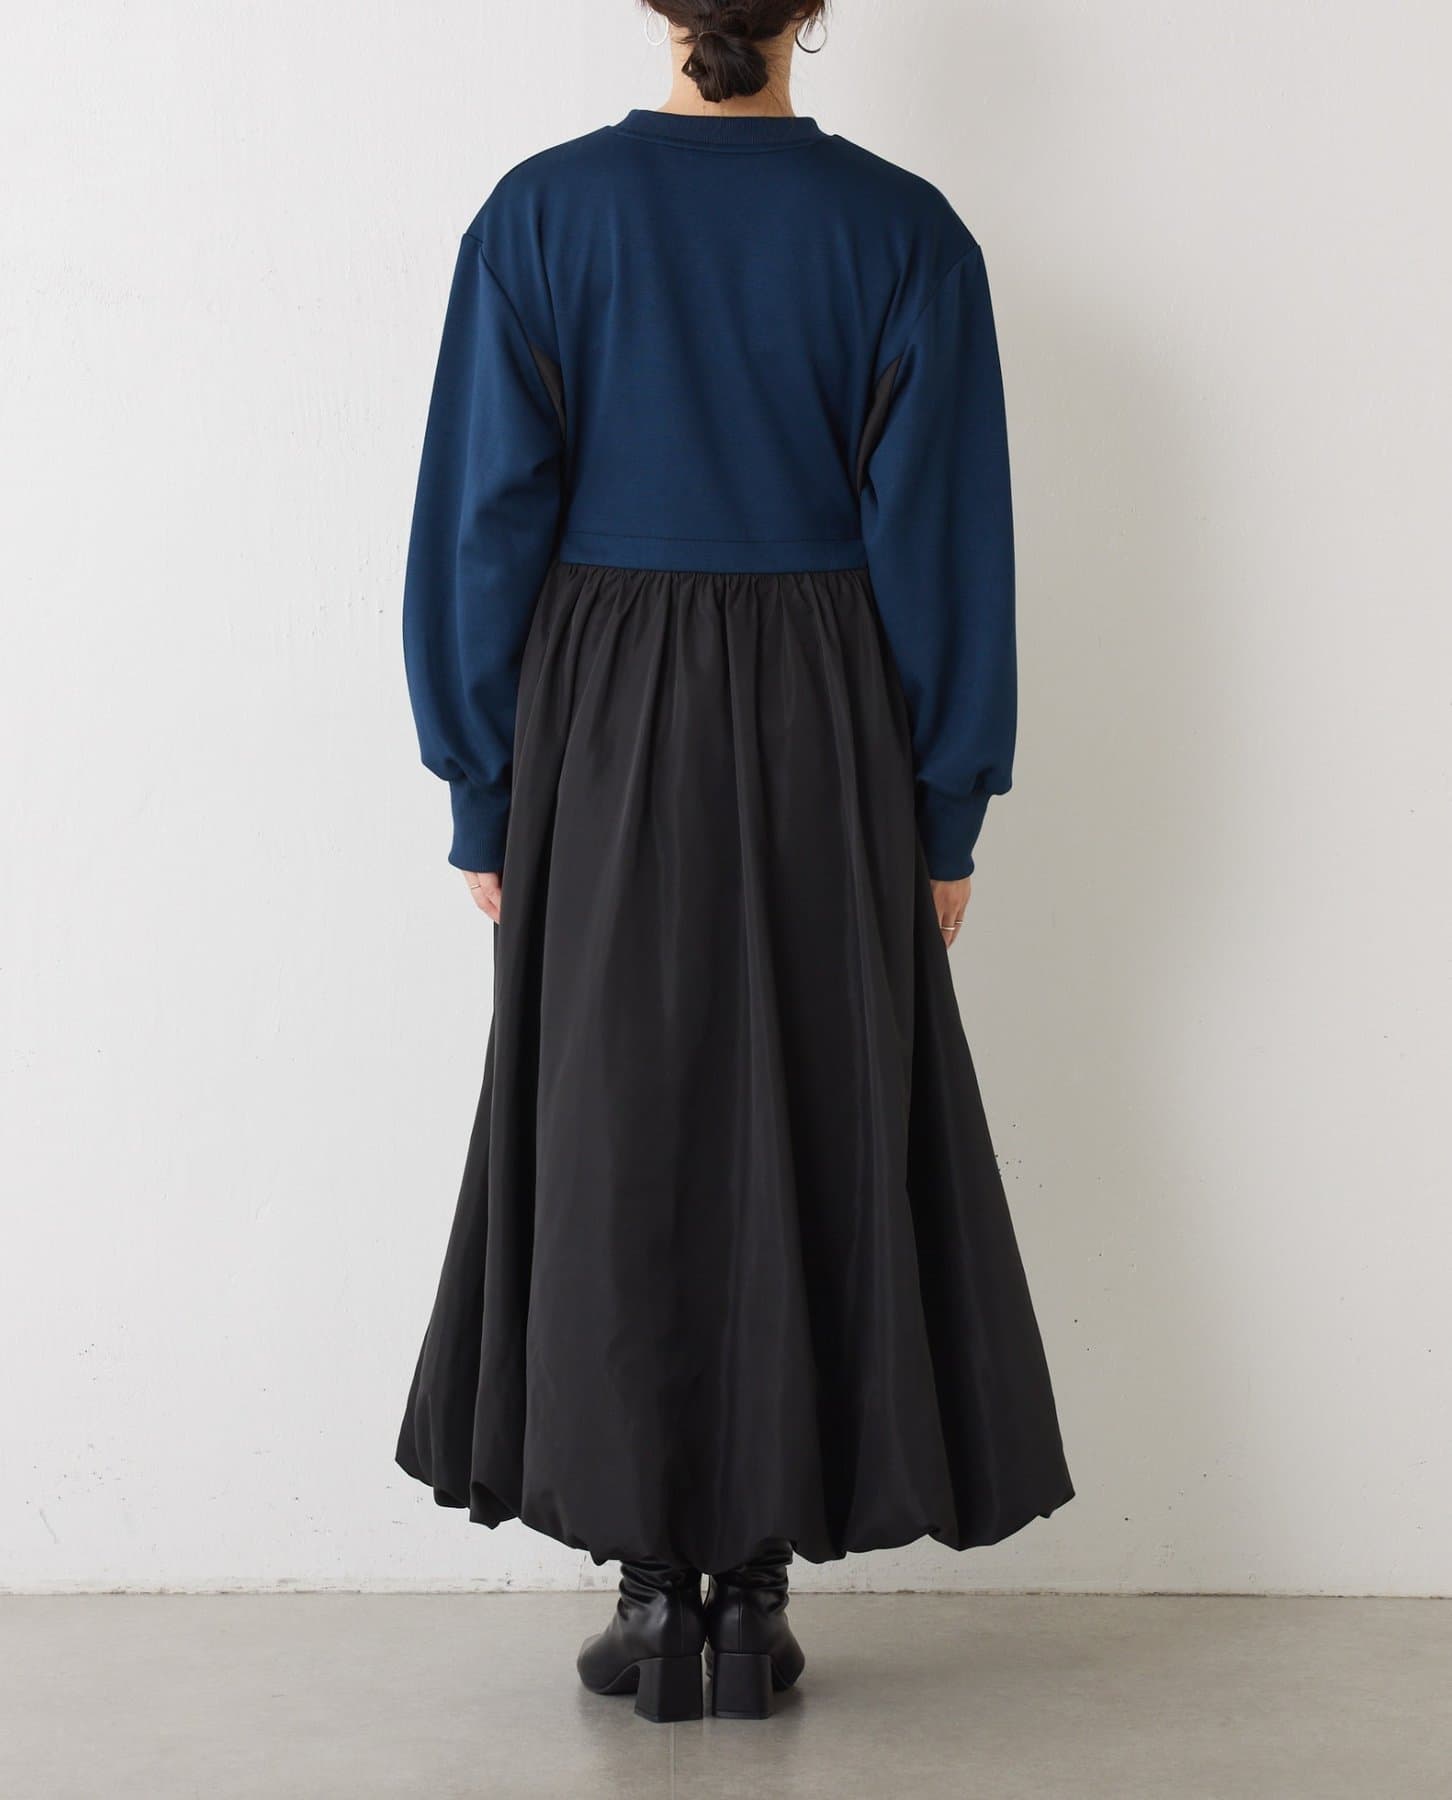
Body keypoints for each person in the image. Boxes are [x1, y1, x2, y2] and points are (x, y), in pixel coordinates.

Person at [395, 0, 1073, 1724]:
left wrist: (482, 787)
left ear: (658, 7)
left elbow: (483, 521)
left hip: (602, 716)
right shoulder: (904, 234)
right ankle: (753, 1607)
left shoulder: (543, 217)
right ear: (813, 13)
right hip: (824, 715)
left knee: (615, 1124)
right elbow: (946, 545)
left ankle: (651, 1598)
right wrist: (944, 808)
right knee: (811, 1114)